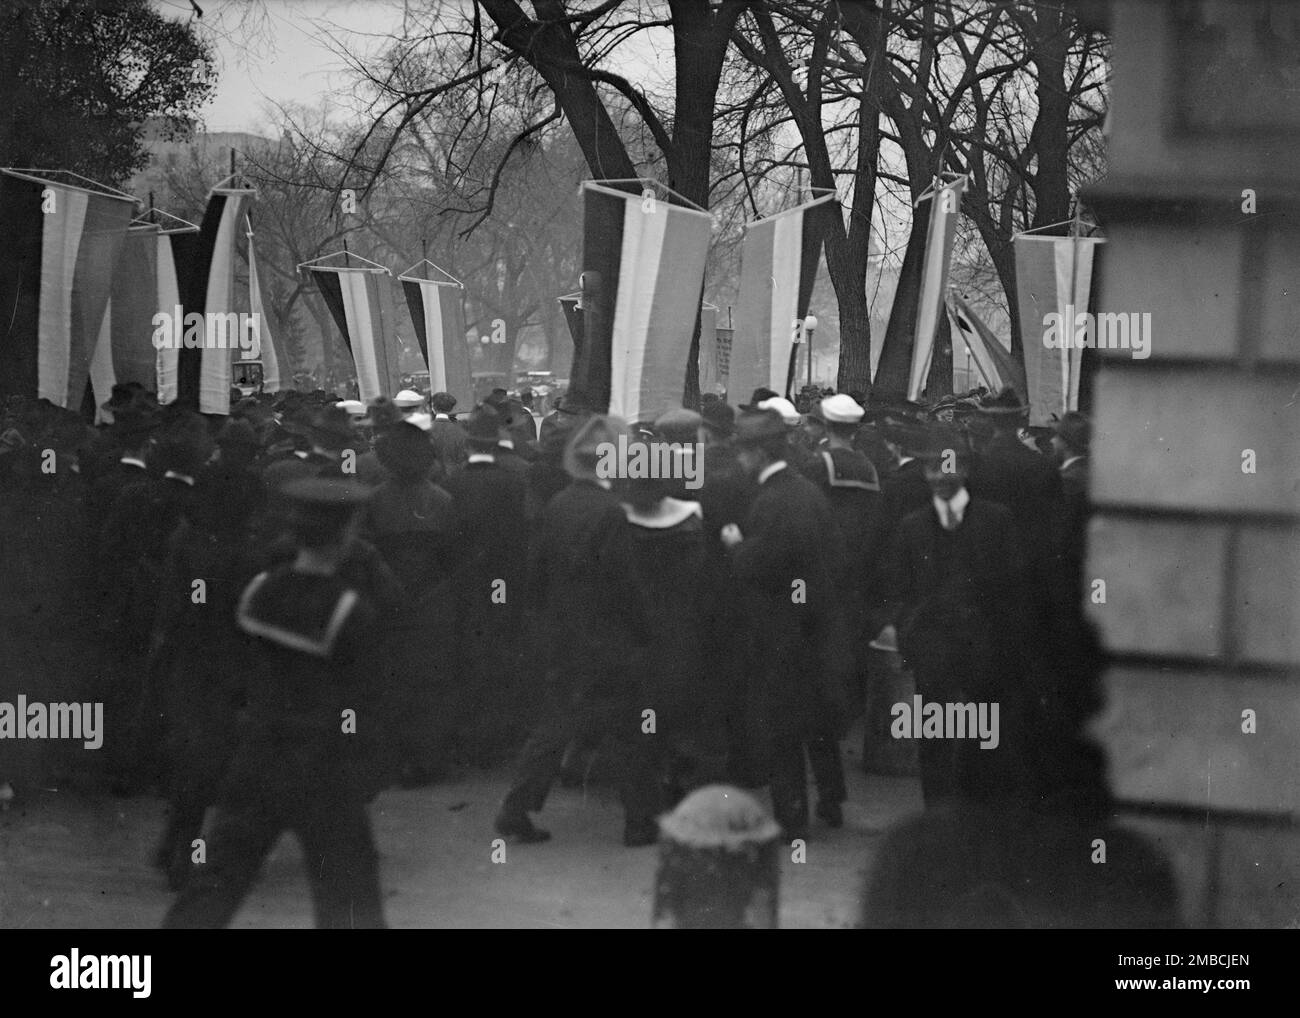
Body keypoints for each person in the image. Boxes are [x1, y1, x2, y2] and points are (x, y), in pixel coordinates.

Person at [163, 478, 389, 929]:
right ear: (345, 537)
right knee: (348, 895)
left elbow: (237, 673)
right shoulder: (349, 610)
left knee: (217, 882)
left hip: (257, 759)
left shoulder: (259, 591)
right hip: (324, 769)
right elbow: (366, 699)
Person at [495, 416, 662, 847]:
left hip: (562, 635)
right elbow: (626, 584)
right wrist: (646, 633)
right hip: (608, 640)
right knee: (631, 732)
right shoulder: (612, 514)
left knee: (554, 727)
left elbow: (536, 576)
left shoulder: (558, 504)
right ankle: (640, 823)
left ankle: (516, 808)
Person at [722, 409, 852, 838]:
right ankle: (832, 798)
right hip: (818, 624)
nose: (740, 460)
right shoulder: (809, 493)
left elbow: (768, 564)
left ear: (758, 453)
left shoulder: (771, 501)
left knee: (783, 726)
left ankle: (790, 819)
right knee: (817, 719)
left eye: (743, 451)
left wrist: (738, 547)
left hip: (781, 630)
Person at [880, 428, 1027, 806]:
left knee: (981, 739)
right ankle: (939, 817)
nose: (940, 476)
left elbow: (1014, 587)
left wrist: (1004, 643)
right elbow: (898, 587)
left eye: (948, 467)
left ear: (965, 471)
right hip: (933, 651)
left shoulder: (997, 521)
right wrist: (909, 632)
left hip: (984, 650)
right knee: (936, 739)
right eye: (932, 468)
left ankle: (974, 816)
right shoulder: (912, 526)